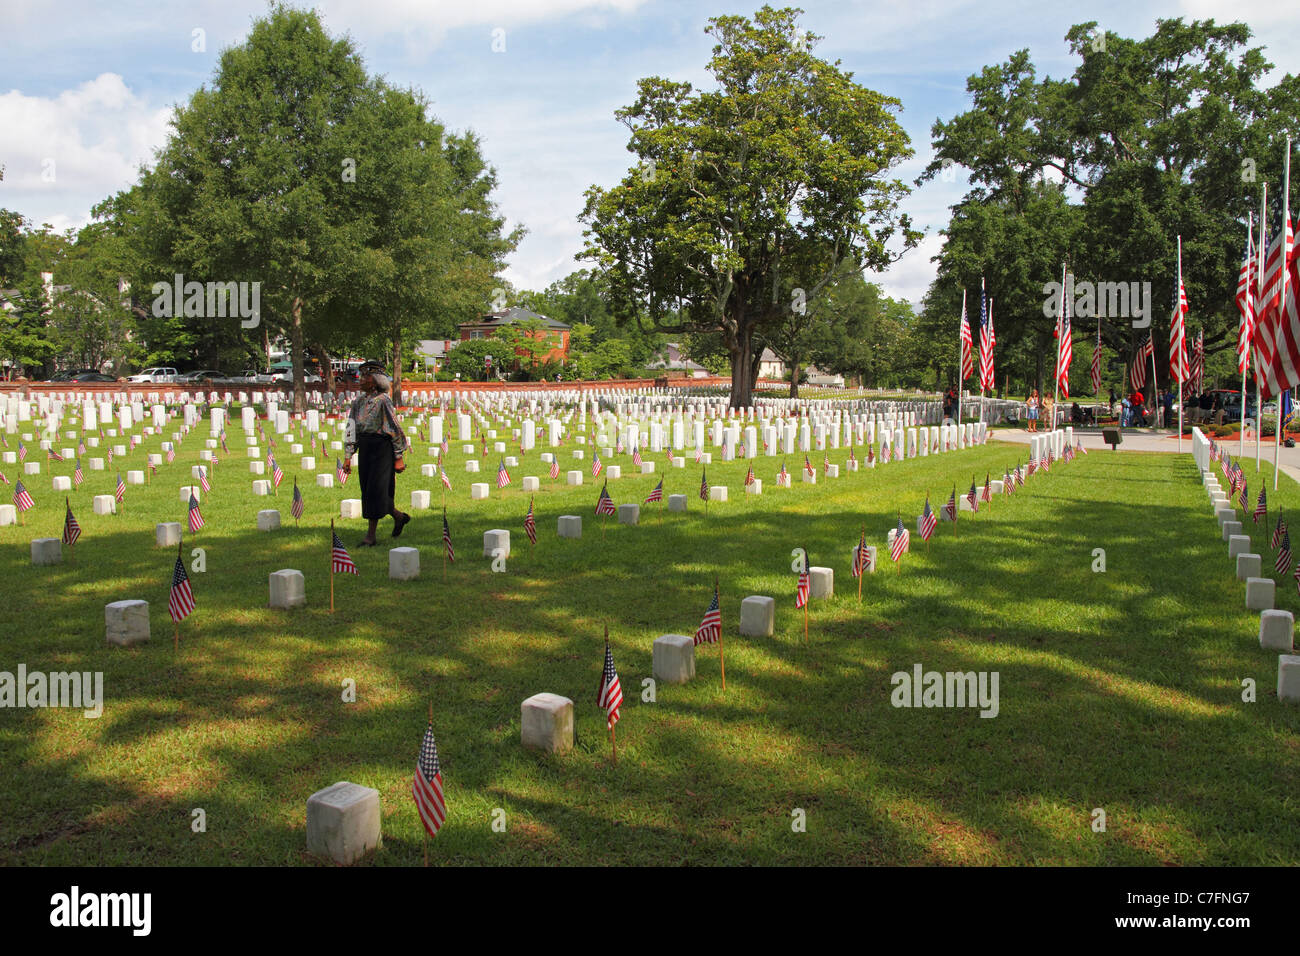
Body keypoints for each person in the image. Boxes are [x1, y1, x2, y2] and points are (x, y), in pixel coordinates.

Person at [342, 362, 411, 547]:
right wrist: (348, 455)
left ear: (375, 382)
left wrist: (399, 457)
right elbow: (351, 428)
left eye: (366, 377)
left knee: (377, 490)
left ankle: (370, 536)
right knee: (368, 490)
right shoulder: (358, 402)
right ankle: (399, 517)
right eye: (362, 376)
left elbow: (394, 427)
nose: (361, 380)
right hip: (365, 448)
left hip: (382, 449)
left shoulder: (383, 400)